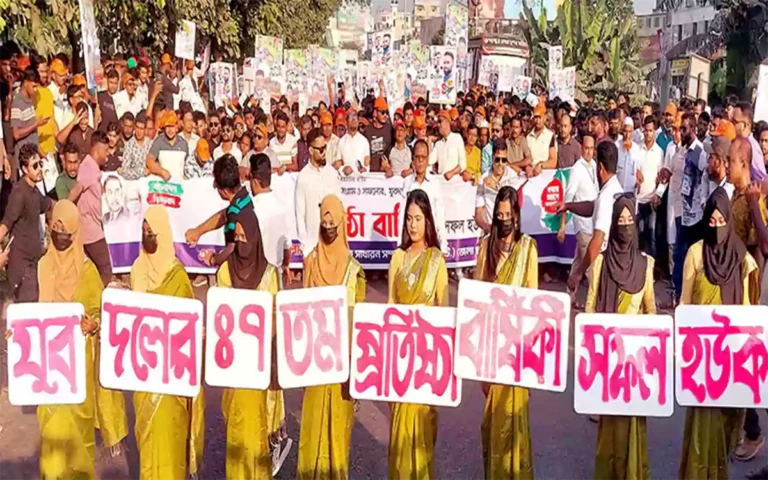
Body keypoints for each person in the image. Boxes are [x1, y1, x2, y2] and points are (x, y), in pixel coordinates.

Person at [32, 200, 128, 478]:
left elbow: (100, 312)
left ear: (75, 231)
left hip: (79, 367)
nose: (59, 231)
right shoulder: (42, 266)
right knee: (52, 439)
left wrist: (93, 324)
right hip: (47, 366)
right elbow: (31, 313)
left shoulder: (88, 272)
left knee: (80, 435)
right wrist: (18, 332)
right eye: (56, 225)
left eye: (65, 227)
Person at [677, 187, 758, 479]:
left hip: (730, 365)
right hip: (700, 364)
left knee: (723, 435)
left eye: (720, 221)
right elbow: (684, 305)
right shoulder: (696, 254)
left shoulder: (742, 259)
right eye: (710, 222)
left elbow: (748, 314)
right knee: (700, 435)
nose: (716, 227)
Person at [131, 206, 205, 480]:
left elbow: (187, 328)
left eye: (153, 232)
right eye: (144, 231)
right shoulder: (137, 269)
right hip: (145, 376)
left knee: (172, 443)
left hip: (172, 380)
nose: (148, 236)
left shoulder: (178, 277)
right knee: (148, 447)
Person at [586, 193, 656, 480]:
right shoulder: (601, 263)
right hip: (608, 362)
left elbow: (650, 310)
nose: (626, 226)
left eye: (630, 220)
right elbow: (590, 308)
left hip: (635, 367)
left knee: (633, 427)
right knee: (609, 429)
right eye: (621, 221)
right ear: (614, 226)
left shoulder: (646, 264)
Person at [298, 194, 365, 480]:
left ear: (342, 221)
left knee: (337, 437)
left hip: (341, 370)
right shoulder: (311, 261)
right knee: (312, 433)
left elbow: (359, 323)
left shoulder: (354, 269)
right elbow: (300, 312)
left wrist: (356, 369)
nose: (328, 224)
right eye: (324, 218)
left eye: (332, 219)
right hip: (314, 365)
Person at [475, 186, 537, 479]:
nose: (504, 220)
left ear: (517, 215)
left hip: (517, 353)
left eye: (508, 215)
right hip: (490, 350)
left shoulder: (528, 249)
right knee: (492, 424)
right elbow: (476, 300)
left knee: (515, 420)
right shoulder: (485, 247)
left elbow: (535, 302)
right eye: (498, 215)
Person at [387, 189, 449, 479]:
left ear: (428, 222)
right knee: (399, 436)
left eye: (418, 219)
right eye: (409, 219)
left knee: (423, 432)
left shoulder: (437, 259)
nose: (413, 225)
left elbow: (444, 314)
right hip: (400, 360)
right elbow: (390, 308)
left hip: (425, 361)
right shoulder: (398, 257)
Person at [566, 142, 624, 294]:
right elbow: (593, 207)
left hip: (606, 265)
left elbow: (598, 239)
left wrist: (578, 274)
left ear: (600, 168)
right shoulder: (616, 188)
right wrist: (568, 206)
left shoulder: (606, 197)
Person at [0, 144, 53, 301]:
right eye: (34, 166)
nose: (39, 169)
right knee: (27, 310)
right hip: (21, 265)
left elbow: (49, 204)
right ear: (24, 169)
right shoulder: (19, 193)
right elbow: (6, 224)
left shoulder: (34, 190)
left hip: (33, 261)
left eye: (40, 164)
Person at [68, 131, 113, 287]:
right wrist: (64, 207)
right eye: (106, 150)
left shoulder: (93, 167)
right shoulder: (87, 166)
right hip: (90, 230)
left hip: (93, 227)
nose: (108, 154)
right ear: (97, 150)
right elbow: (77, 189)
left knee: (95, 269)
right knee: (106, 269)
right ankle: (98, 301)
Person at [559, 134, 598, 306]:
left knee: (579, 262)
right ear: (581, 149)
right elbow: (568, 198)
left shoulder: (595, 165)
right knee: (590, 266)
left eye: (591, 149)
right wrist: (562, 226)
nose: (589, 152)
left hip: (593, 222)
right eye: (586, 148)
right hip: (581, 224)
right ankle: (595, 302)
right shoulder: (576, 169)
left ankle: (569, 294)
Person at [296, 128, 341, 256]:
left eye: (325, 148)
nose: (324, 152)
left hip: (332, 246)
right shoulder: (303, 177)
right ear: (311, 150)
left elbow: (339, 207)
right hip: (311, 247)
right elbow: (300, 214)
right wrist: (306, 247)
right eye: (320, 149)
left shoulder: (332, 174)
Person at [404, 139, 447, 253]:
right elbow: (402, 218)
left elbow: (439, 215)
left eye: (423, 157)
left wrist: (443, 246)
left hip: (430, 243)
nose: (420, 161)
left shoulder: (434, 184)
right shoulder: (407, 183)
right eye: (417, 157)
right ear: (413, 159)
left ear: (428, 159)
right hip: (411, 244)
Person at [475, 139, 518, 233]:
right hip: (490, 231)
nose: (500, 164)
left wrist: (495, 186)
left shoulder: (513, 176)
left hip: (509, 231)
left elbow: (513, 204)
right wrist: (486, 227)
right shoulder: (483, 179)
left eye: (504, 160)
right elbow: (478, 213)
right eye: (497, 159)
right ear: (492, 158)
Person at [635, 116, 664, 257]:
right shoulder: (637, 149)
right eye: (645, 130)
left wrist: (657, 195)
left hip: (651, 200)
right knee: (639, 236)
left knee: (651, 235)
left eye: (650, 131)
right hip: (638, 200)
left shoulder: (659, 152)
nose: (647, 133)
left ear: (654, 131)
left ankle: (651, 271)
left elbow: (662, 177)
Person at [11, 67, 45, 165]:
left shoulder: (30, 101)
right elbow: (16, 134)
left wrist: (44, 156)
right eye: (33, 86)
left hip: (34, 157)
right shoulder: (17, 103)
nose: (35, 90)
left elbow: (32, 136)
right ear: (26, 83)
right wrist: (36, 124)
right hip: (24, 160)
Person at [146, 110, 189, 181]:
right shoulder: (159, 141)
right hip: (163, 184)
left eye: (172, 126)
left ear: (176, 127)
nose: (170, 130)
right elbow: (149, 161)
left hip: (179, 185)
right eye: (167, 126)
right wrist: (162, 171)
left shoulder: (183, 144)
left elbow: (187, 166)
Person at [733, 102, 768, 181]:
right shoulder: (738, 143)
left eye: (734, 122)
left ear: (745, 126)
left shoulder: (752, 148)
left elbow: (761, 180)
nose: (731, 125)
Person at [430, 110, 469, 181]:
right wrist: (429, 141)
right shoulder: (438, 144)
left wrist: (452, 173)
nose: (438, 125)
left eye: (440, 121)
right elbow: (429, 161)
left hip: (455, 181)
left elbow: (463, 163)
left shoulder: (457, 138)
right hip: (441, 181)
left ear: (447, 121)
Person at [119, 110, 151, 180]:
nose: (139, 131)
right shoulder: (129, 145)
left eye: (141, 129)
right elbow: (125, 171)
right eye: (137, 128)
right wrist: (142, 172)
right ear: (134, 127)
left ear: (145, 129)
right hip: (134, 182)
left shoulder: (150, 144)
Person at [364, 97, 393, 173]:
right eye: (383, 112)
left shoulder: (390, 129)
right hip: (370, 174)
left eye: (387, 112)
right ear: (375, 113)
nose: (385, 115)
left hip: (385, 174)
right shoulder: (367, 130)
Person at [526, 103, 556, 175]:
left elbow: (553, 161)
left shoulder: (550, 136)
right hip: (529, 174)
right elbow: (524, 157)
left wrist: (541, 165)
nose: (537, 120)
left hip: (545, 174)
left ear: (545, 117)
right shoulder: (527, 136)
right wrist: (527, 167)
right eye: (536, 117)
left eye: (540, 117)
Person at [615, 117, 640, 193]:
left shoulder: (637, 149)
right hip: (617, 189)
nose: (627, 135)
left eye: (630, 132)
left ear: (633, 132)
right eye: (625, 131)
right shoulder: (616, 146)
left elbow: (638, 170)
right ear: (622, 131)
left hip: (631, 191)